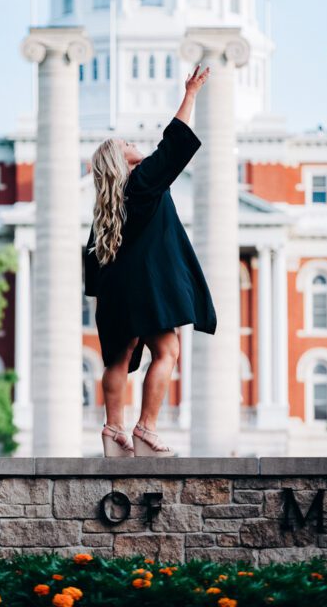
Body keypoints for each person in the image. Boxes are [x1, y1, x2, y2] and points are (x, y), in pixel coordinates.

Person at [85, 64, 216, 457]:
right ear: (121, 161)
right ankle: (145, 428)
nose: (133, 145)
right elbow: (172, 147)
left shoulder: (107, 208)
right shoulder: (141, 184)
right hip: (147, 291)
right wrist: (190, 94)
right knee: (168, 351)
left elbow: (92, 268)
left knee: (120, 358)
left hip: (116, 296)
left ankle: (113, 430)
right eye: (126, 144)